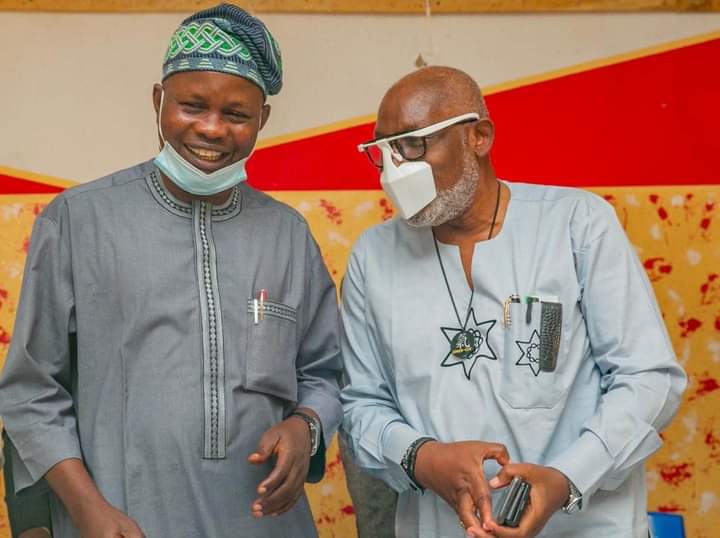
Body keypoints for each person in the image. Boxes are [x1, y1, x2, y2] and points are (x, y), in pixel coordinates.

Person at [0, 4, 342, 537]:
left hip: (264, 525)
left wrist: (306, 425)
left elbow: (325, 373)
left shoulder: (287, 235)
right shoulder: (78, 220)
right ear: (158, 100)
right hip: (121, 523)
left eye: (236, 114)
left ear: (263, 120)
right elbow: (31, 390)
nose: (212, 128)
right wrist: (86, 508)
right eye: (192, 105)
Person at [339, 66, 687, 538]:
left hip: (586, 527)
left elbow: (648, 378)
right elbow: (362, 404)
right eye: (383, 152)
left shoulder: (577, 225)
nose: (395, 170)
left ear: (478, 137)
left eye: (414, 145)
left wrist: (566, 479)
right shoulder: (373, 256)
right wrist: (422, 457)